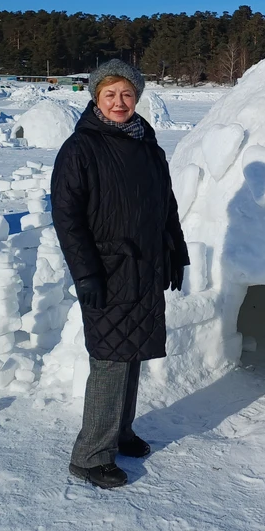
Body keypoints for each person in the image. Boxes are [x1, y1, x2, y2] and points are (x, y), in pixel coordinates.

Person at [51, 59, 188, 490]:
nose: (119, 102)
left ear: (137, 98)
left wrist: (176, 252)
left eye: (127, 94)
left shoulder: (149, 146)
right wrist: (86, 273)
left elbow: (166, 204)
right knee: (110, 360)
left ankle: (119, 433)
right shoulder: (81, 149)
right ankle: (90, 456)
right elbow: (67, 217)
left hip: (145, 266)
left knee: (130, 355)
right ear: (96, 98)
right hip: (107, 270)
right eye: (109, 94)